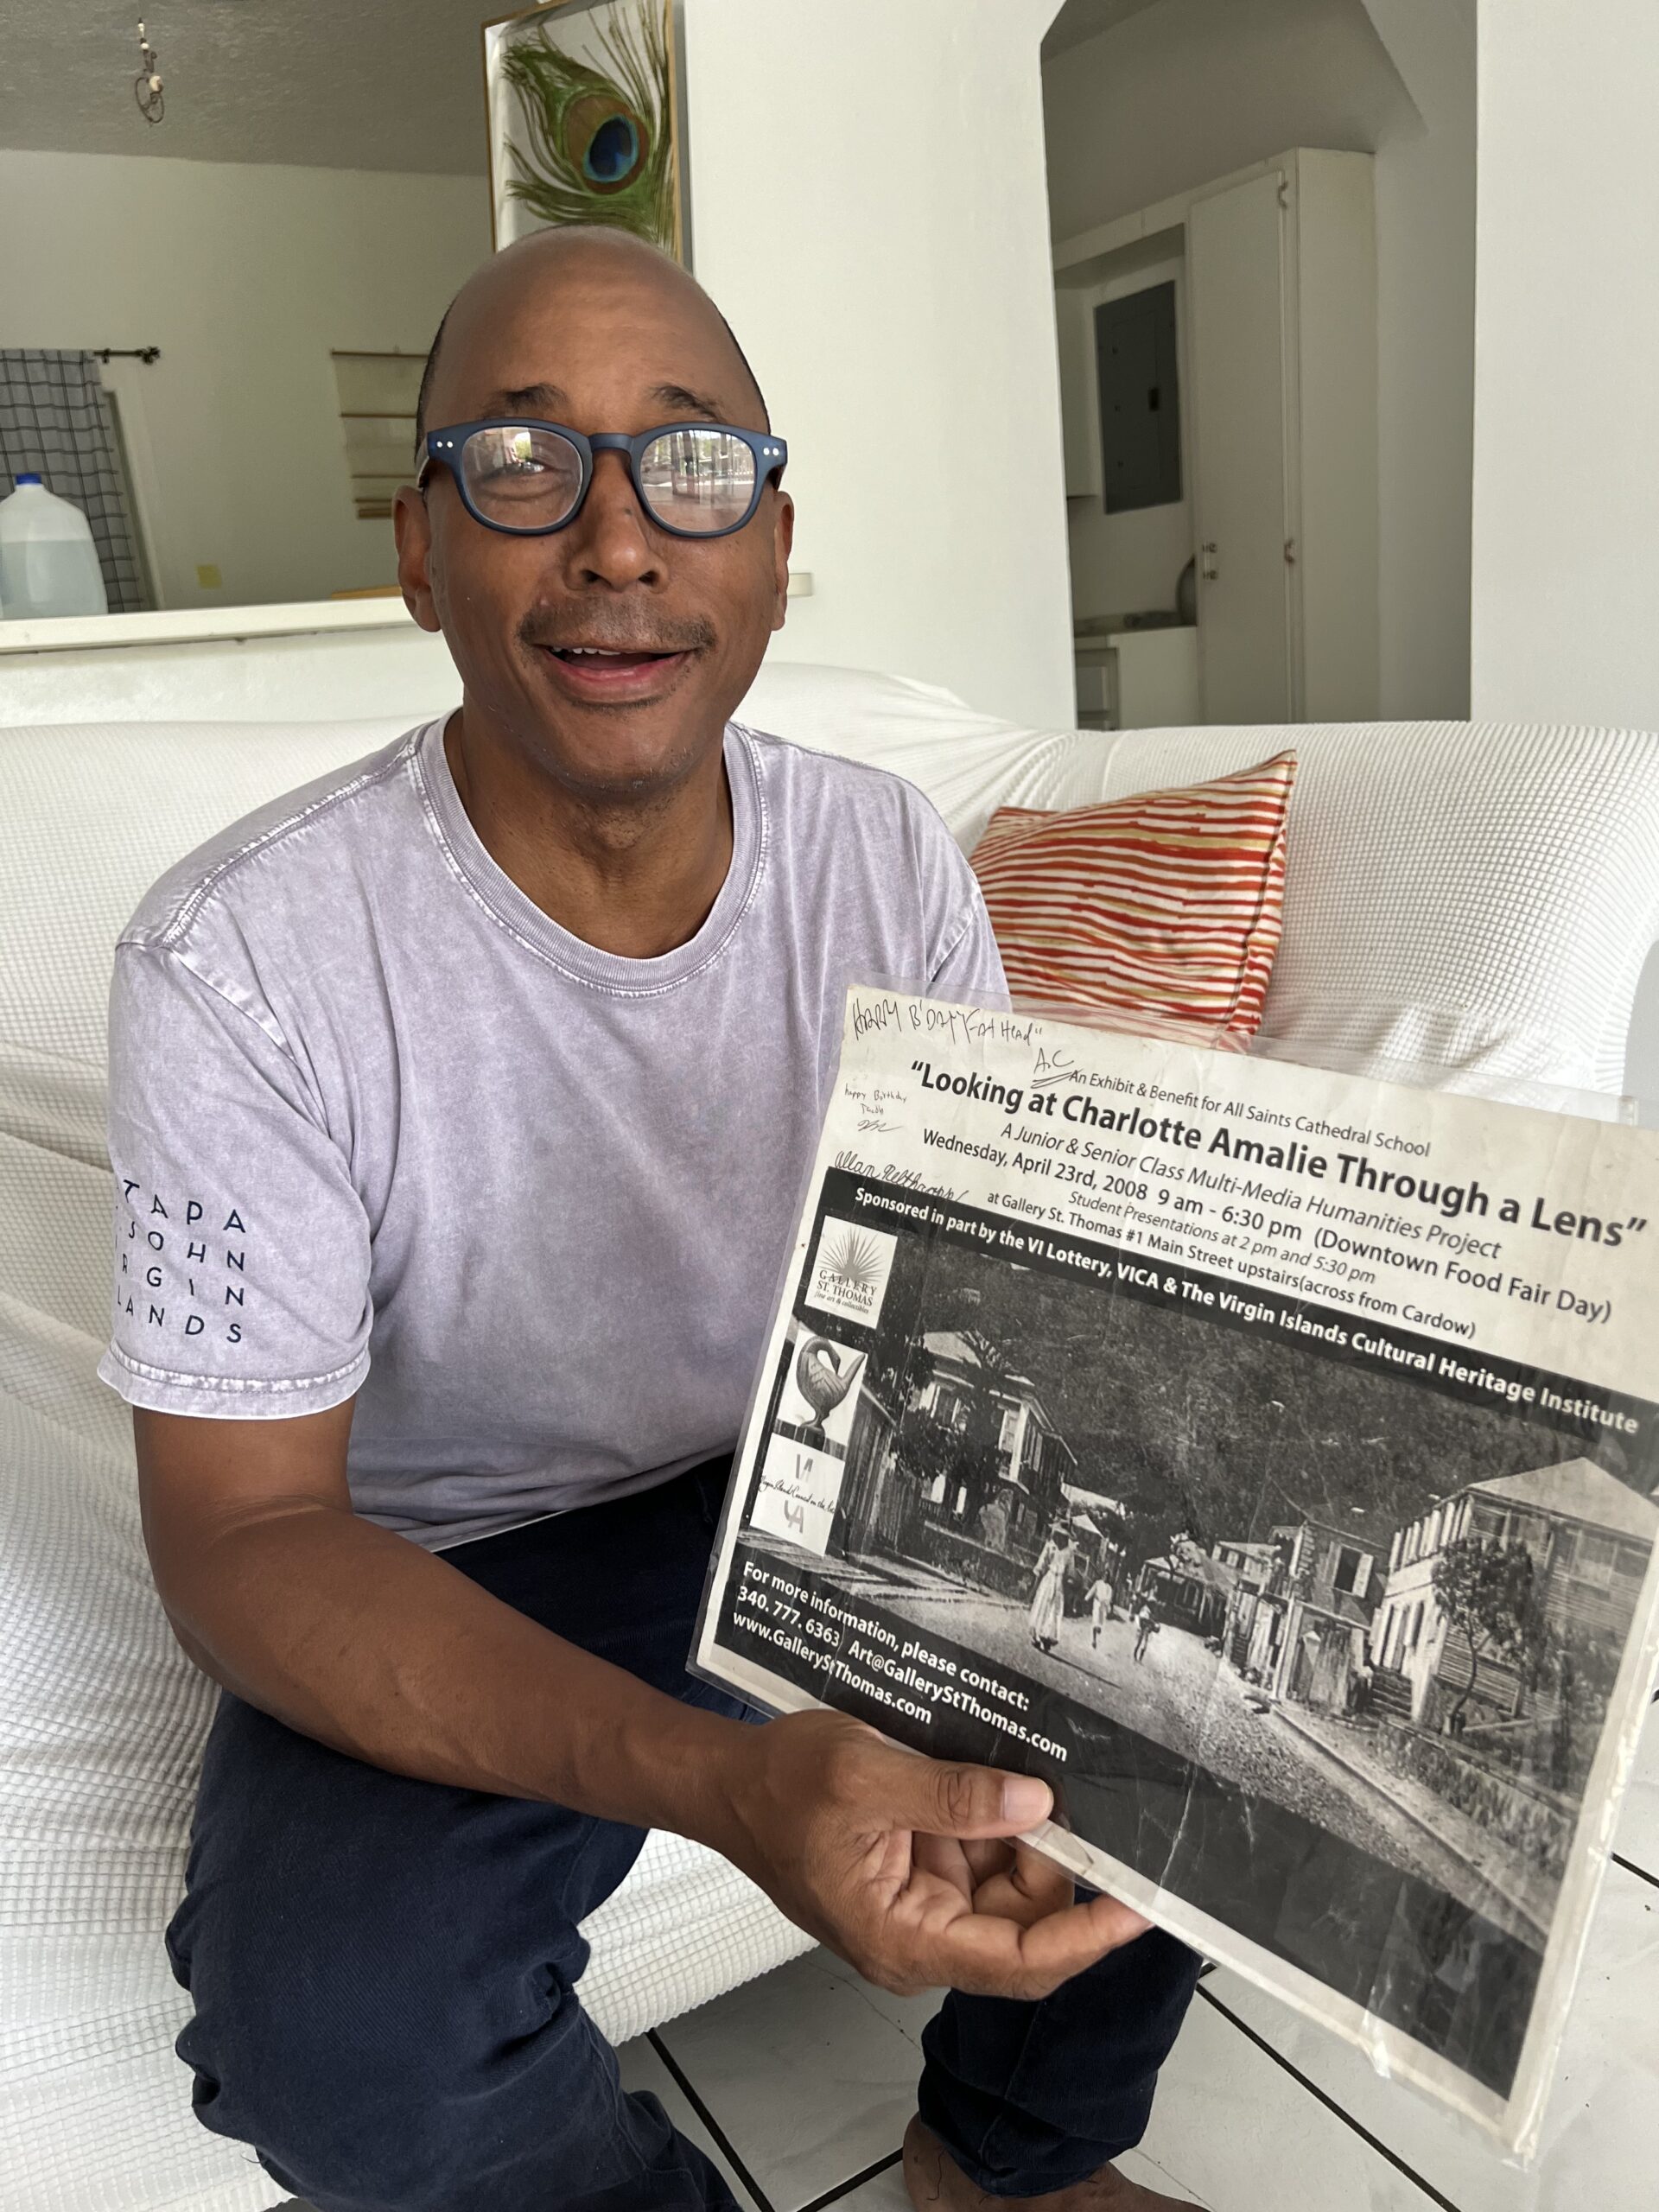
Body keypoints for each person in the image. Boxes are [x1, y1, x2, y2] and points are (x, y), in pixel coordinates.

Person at [100, 226, 1200, 2212]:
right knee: (334, 2031)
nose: (617, 539)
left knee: (1209, 1664)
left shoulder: (874, 852)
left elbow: (982, 1291)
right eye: (520, 462)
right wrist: (726, 1778)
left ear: (775, 550)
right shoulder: (241, 953)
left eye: (692, 467)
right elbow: (246, 1533)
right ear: (419, 550)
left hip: (825, 1479)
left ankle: (1012, 2161)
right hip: (465, 1553)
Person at [1028, 1522, 1074, 1654]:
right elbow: (1042, 1563)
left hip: (1059, 1582)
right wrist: (1036, 1578)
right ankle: (1037, 1634)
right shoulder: (1050, 1546)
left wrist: (1067, 1584)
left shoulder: (1069, 1553)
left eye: (1063, 1536)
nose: (1060, 1537)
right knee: (1043, 1605)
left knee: (1054, 1609)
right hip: (1049, 1578)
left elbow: (1070, 1572)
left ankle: (1048, 1637)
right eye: (1059, 1534)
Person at [1086, 1568, 1116, 1650]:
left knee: (1100, 1623)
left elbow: (1109, 1598)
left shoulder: (1109, 1588)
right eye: (1104, 1575)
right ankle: (1094, 1640)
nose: (1105, 1577)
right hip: (1096, 1604)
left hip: (1103, 1607)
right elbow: (1092, 1591)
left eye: (1107, 1576)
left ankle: (1098, 1629)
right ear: (1102, 1575)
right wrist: (1086, 1598)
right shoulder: (1098, 1583)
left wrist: (1107, 1604)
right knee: (1095, 1621)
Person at [1133, 1598, 1159, 1666]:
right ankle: (1135, 1657)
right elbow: (1143, 1618)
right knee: (1139, 1644)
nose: (1154, 1606)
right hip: (1142, 1629)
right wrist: (1153, 1623)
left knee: (1144, 1646)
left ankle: (1140, 1659)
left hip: (1147, 1631)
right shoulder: (1145, 1609)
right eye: (1153, 1604)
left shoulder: (1150, 1611)